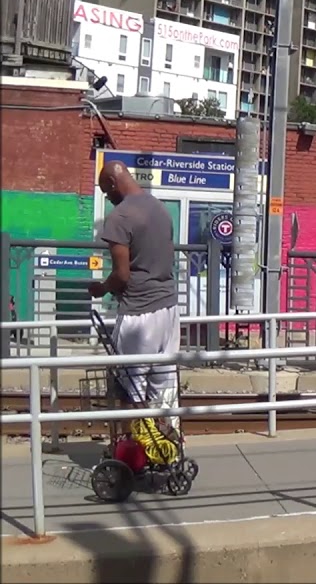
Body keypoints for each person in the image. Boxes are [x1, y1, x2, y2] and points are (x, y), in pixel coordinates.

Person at [88, 161, 183, 443]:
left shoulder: (120, 217)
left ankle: (132, 456)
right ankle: (163, 449)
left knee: (129, 389)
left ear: (114, 184)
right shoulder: (160, 209)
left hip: (138, 313)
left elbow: (122, 275)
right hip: (168, 310)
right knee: (160, 388)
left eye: (107, 192)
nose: (108, 198)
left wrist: (102, 288)